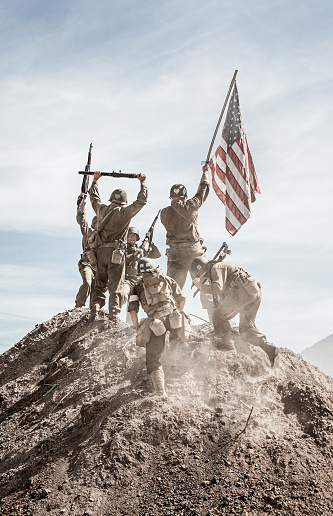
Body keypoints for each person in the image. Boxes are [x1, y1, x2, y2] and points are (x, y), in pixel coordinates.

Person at [191, 256, 279, 367]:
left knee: (217, 315)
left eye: (199, 275)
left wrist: (201, 286)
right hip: (252, 293)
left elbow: (217, 289)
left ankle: (228, 345)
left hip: (243, 293)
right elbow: (224, 303)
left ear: (202, 269)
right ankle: (271, 350)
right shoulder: (220, 268)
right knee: (246, 330)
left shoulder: (215, 268)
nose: (201, 277)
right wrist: (219, 325)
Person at [88, 171, 148, 320]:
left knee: (99, 283)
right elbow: (141, 201)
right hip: (117, 253)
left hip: (100, 253)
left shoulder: (102, 210)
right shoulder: (125, 212)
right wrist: (142, 184)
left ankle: (95, 305)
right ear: (124, 202)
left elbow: (94, 198)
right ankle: (113, 312)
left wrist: (95, 181)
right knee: (116, 284)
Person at [160, 164, 214, 319]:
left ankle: (172, 318)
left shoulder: (164, 213)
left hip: (175, 253)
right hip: (194, 251)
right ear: (185, 196)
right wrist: (205, 174)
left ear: (171, 197)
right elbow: (203, 191)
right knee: (205, 283)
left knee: (173, 288)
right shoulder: (191, 206)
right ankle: (213, 319)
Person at [128, 258, 188, 396]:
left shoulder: (137, 286)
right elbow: (182, 299)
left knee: (153, 359)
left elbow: (133, 310)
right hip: (173, 317)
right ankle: (174, 362)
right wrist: (177, 312)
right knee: (176, 336)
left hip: (155, 322)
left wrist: (138, 329)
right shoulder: (167, 279)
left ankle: (161, 392)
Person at [121, 226, 162, 310]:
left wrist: (150, 242)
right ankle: (115, 314)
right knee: (123, 294)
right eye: (129, 236)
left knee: (145, 300)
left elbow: (157, 254)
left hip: (139, 280)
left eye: (134, 236)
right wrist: (134, 255)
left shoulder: (141, 250)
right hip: (127, 279)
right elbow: (121, 260)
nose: (132, 238)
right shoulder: (123, 249)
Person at [75, 193, 98, 308]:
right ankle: (78, 307)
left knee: (96, 291)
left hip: (99, 267)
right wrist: (81, 206)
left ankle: (92, 313)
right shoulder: (89, 233)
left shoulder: (106, 238)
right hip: (87, 263)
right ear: (94, 224)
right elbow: (82, 221)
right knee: (87, 283)